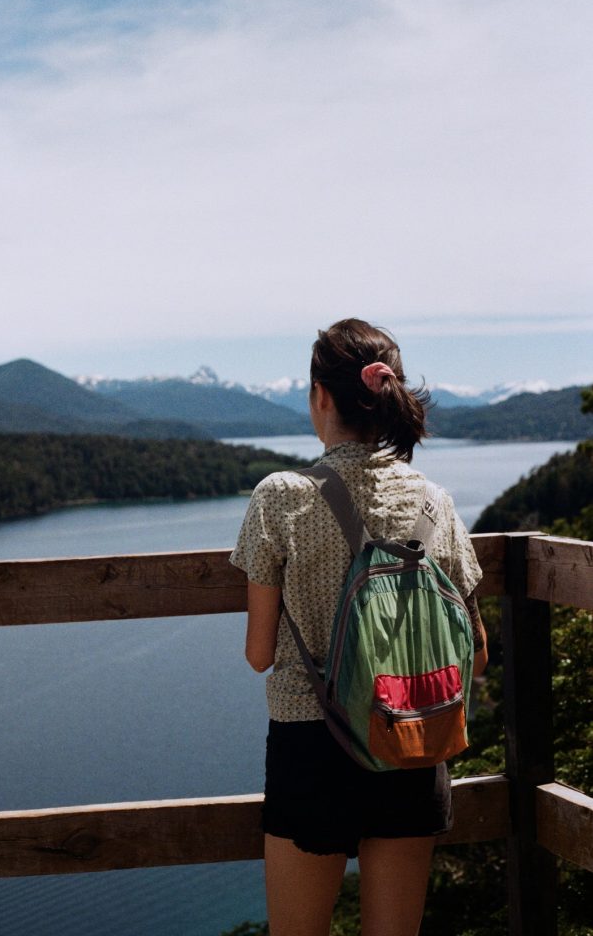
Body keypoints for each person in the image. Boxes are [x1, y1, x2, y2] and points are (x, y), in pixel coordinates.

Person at [230, 318, 488, 936]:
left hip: (313, 745)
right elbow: (475, 653)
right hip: (413, 739)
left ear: (321, 395)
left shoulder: (281, 496)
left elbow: (259, 654)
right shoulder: (435, 502)